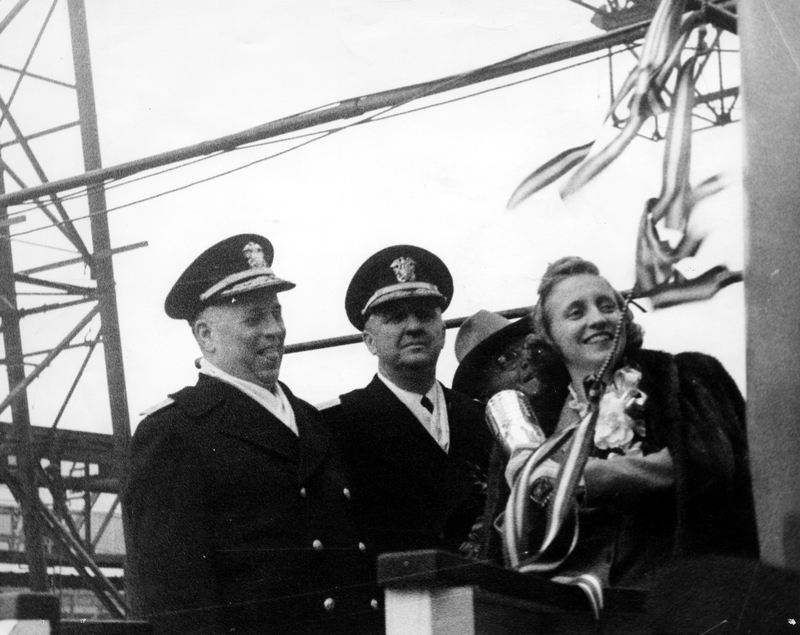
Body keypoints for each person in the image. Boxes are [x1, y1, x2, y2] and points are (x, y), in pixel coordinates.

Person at [122, 234, 380, 635]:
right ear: (206, 336)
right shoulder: (174, 432)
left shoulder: (311, 420)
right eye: (254, 318)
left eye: (276, 313)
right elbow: (177, 603)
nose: (274, 330)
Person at [479, 256, 759, 590]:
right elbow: (501, 549)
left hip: (672, 593)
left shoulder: (683, 375)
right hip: (564, 606)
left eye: (607, 306)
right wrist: (524, 501)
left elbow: (712, 464)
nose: (597, 319)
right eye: (576, 312)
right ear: (550, 337)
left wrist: (582, 479)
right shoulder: (534, 422)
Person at [321, 245, 493, 560]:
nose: (413, 327)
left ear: (443, 332)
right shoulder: (338, 424)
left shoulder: (479, 416)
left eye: (425, 315)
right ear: (370, 341)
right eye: (396, 318)